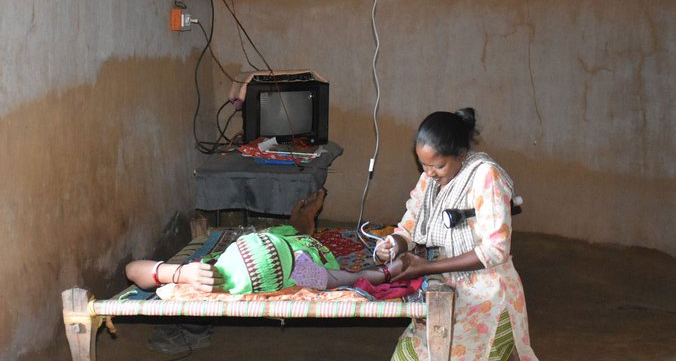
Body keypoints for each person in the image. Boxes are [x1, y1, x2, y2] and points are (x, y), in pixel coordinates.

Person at [376, 108, 538, 361]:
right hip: (444, 290)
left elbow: (495, 250)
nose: (429, 173)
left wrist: (428, 266)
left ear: (461, 155)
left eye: (438, 165)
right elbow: (410, 225)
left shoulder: (486, 177)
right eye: (424, 165)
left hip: (486, 297)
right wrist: (394, 244)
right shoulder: (429, 179)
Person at [126, 189, 403, 295]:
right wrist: (388, 272)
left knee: (294, 231)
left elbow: (133, 270)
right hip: (300, 248)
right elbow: (351, 278)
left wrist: (177, 273)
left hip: (283, 241)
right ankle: (305, 220)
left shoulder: (218, 270)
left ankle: (302, 220)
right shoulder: (304, 269)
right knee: (303, 236)